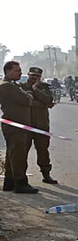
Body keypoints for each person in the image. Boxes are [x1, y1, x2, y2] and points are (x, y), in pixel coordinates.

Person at [0, 61, 38, 194]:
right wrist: (29, 95)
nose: (20, 73)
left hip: (17, 124)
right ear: (8, 71)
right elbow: (28, 100)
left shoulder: (12, 85)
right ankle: (20, 182)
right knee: (18, 155)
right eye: (17, 70)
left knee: (13, 154)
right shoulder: (7, 86)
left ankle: (10, 182)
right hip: (15, 125)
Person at [20, 67, 58, 184]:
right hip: (25, 124)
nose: (34, 78)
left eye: (37, 76)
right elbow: (24, 102)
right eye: (32, 75)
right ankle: (21, 176)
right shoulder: (21, 87)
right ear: (28, 75)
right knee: (22, 152)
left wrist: (35, 89)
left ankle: (46, 174)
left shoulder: (44, 87)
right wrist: (42, 105)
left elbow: (48, 99)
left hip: (41, 125)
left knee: (43, 151)